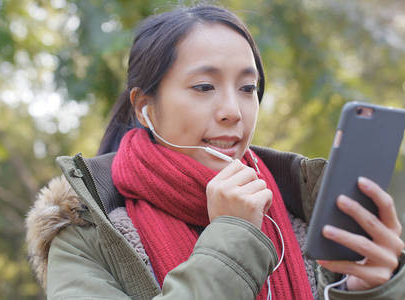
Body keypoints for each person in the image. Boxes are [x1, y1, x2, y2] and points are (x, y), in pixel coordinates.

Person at [26, 5, 405, 299]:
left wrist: (368, 290)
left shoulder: (304, 213)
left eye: (247, 88)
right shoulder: (83, 234)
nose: (233, 111)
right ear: (145, 107)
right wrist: (234, 235)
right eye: (205, 87)